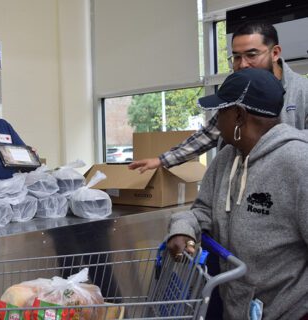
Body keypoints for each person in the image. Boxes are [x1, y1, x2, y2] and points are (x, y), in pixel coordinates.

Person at [166, 68, 308, 320]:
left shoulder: (298, 163)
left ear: (239, 116)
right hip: (235, 307)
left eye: (221, 112)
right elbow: (202, 210)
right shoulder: (225, 159)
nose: (217, 122)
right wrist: (182, 228)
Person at [128, 20, 308, 173]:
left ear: (275, 53)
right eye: (236, 57)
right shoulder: (239, 89)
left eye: (251, 55)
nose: (243, 64)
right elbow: (211, 133)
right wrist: (163, 160)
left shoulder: (302, 91)